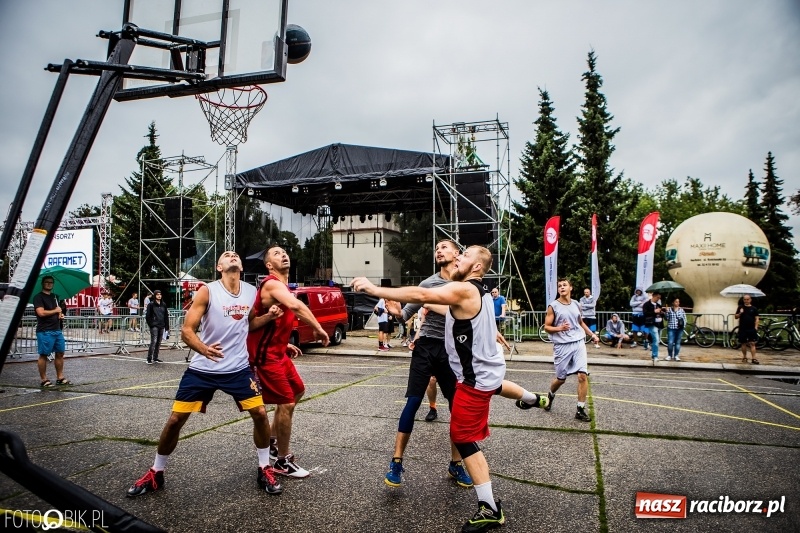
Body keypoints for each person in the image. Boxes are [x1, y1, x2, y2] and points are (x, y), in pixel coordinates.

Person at [353, 245, 550, 533]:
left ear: (477, 268)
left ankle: (490, 508)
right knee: (492, 393)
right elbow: (439, 305)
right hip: (488, 373)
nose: (458, 257)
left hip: (474, 380)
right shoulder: (475, 293)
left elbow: (422, 296)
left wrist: (376, 289)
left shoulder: (466, 289)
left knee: (463, 436)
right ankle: (531, 398)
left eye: (464, 255)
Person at [127, 251, 284, 497]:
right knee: (175, 420)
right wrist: (203, 348)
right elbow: (187, 330)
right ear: (219, 266)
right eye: (226, 255)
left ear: (241, 265)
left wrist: (268, 317)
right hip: (203, 369)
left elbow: (248, 324)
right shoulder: (208, 291)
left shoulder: (251, 292)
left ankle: (264, 467)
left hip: (237, 368)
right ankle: (156, 472)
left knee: (260, 413)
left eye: (235, 255)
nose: (232, 255)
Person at [380, 239, 473, 490]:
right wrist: (395, 311)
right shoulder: (428, 284)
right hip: (426, 346)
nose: (438, 251)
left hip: (452, 350)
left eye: (444, 247)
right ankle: (396, 462)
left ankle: (456, 463)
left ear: (457, 254)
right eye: (436, 248)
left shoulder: (465, 285)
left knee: (458, 408)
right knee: (412, 402)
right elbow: (405, 314)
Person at [247, 245, 330, 479]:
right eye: (276, 253)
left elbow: (275, 324)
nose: (283, 254)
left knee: (297, 392)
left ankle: (272, 439)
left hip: (278, 353)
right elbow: (296, 306)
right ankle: (282, 461)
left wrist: (283, 344)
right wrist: (318, 328)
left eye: (284, 252)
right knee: (286, 404)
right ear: (269, 265)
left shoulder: (283, 287)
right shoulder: (272, 284)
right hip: (265, 358)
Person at [542, 278, 599, 423]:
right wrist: (560, 328)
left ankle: (580, 409)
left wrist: (592, 335)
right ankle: (550, 394)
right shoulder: (553, 306)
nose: (561, 287)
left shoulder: (576, 304)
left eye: (564, 285)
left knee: (582, 376)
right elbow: (547, 327)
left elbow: (580, 322)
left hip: (578, 343)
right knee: (561, 379)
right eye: (559, 286)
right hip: (562, 346)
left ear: (570, 288)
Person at [34, 275, 70, 388]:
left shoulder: (55, 297)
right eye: (47, 282)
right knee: (44, 355)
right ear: (43, 283)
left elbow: (58, 312)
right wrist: (55, 310)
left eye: (51, 282)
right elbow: (41, 313)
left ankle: (60, 377)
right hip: (45, 330)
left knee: (60, 353)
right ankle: (44, 379)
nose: (49, 284)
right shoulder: (38, 297)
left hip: (57, 330)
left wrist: (61, 314)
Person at [145, 290, 169, 364]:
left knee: (158, 342)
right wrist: (151, 324)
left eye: (160, 294)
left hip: (162, 325)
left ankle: (155, 357)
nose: (159, 296)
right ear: (155, 295)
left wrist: (167, 326)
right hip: (154, 326)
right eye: (157, 294)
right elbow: (148, 316)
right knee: (154, 342)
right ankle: (149, 358)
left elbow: (166, 316)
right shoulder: (151, 304)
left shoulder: (163, 304)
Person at [735, 295, 760, 364]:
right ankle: (744, 357)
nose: (746, 301)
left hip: (751, 328)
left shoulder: (754, 308)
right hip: (743, 328)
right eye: (745, 299)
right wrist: (740, 312)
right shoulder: (740, 307)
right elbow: (736, 317)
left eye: (747, 299)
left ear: (750, 300)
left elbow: (757, 318)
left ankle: (754, 358)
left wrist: (756, 327)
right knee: (743, 343)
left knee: (752, 343)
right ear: (743, 300)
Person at [642, 291, 664, 362]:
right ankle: (655, 356)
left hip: (659, 324)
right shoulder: (646, 304)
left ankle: (653, 353)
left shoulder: (659, 305)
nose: (658, 299)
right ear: (653, 296)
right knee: (656, 339)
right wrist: (654, 311)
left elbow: (661, 315)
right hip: (652, 323)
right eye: (657, 297)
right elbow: (645, 314)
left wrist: (663, 312)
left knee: (657, 340)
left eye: (659, 298)